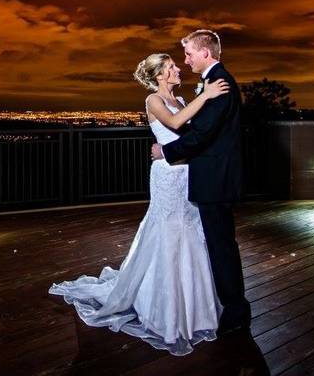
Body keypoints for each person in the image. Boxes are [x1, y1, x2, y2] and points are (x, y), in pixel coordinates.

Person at [48, 53, 229, 355]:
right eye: (171, 67)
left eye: (175, 65)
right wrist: (207, 95)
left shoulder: (184, 99)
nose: (177, 69)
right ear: (159, 76)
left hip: (186, 174)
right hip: (167, 177)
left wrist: (202, 102)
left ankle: (197, 308)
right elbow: (174, 122)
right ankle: (164, 310)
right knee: (166, 233)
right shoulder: (153, 101)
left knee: (191, 235)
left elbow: (195, 134)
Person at [151, 29, 252, 334]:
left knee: (221, 245)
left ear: (205, 53)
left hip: (215, 179)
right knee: (219, 243)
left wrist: (165, 152)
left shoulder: (218, 83)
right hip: (213, 176)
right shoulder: (213, 82)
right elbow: (200, 128)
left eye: (189, 54)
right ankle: (229, 304)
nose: (186, 60)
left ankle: (235, 311)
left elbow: (202, 134)